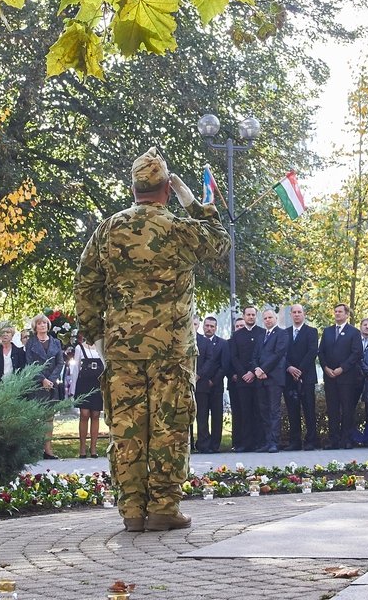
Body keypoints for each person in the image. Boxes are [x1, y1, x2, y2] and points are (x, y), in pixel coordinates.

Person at [74, 146, 229, 533]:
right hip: (171, 350)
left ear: (133, 189)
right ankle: (163, 507)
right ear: (165, 189)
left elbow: (86, 283)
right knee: (169, 426)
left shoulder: (109, 229)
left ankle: (131, 511)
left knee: (126, 429)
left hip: (122, 350)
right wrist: (193, 202)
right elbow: (221, 242)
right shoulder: (179, 228)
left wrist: (96, 335)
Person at [318, 303, 362, 449]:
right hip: (330, 377)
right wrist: (325, 367)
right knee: (332, 409)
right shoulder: (328, 331)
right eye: (335, 311)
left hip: (346, 377)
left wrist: (342, 368)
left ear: (347, 314)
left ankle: (347, 439)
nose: (337, 314)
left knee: (347, 408)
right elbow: (321, 352)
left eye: (340, 312)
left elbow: (356, 353)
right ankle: (333, 439)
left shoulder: (354, 332)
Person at [26, 313, 66, 458]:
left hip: (51, 385)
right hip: (37, 384)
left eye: (44, 323)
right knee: (36, 417)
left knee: (49, 418)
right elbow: (30, 363)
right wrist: (42, 379)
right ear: (35, 326)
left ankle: (48, 449)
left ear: (48, 325)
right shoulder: (31, 342)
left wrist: (51, 379)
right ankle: (36, 449)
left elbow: (60, 362)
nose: (42, 325)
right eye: (39, 323)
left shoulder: (56, 342)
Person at [283, 303, 319, 450]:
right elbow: (281, 353)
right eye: (294, 312)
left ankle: (311, 441)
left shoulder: (311, 331)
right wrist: (289, 368)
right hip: (289, 377)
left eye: (299, 312)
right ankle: (295, 441)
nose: (297, 314)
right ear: (291, 314)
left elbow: (312, 352)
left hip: (307, 377)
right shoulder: (284, 333)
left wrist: (299, 370)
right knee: (292, 410)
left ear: (304, 314)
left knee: (309, 409)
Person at [228, 306, 263, 453]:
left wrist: (253, 373)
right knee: (245, 412)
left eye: (253, 315)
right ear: (244, 316)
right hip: (243, 380)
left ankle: (259, 443)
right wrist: (244, 373)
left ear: (256, 316)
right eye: (248, 315)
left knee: (258, 411)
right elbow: (234, 357)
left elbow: (263, 355)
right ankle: (245, 443)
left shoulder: (262, 333)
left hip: (259, 378)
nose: (250, 317)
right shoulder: (237, 335)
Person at [253, 308, 288, 452]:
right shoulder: (261, 335)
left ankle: (274, 442)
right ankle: (267, 441)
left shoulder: (282, 333)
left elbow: (278, 354)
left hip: (274, 378)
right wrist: (256, 369)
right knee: (264, 411)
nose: (267, 320)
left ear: (275, 318)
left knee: (274, 411)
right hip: (260, 379)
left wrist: (263, 370)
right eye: (265, 318)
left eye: (270, 317)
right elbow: (254, 355)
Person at [68, 333, 105, 458]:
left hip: (98, 384)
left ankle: (93, 447)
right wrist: (73, 389)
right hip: (84, 384)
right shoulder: (80, 348)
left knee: (95, 414)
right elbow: (76, 369)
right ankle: (82, 447)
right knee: (84, 414)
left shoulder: (102, 347)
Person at [194, 315, 226, 454]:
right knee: (201, 415)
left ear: (216, 328)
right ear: (203, 326)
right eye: (207, 326)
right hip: (200, 384)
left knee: (216, 416)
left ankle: (214, 444)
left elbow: (222, 364)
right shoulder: (198, 341)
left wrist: (213, 380)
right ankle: (202, 444)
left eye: (212, 326)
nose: (209, 328)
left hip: (214, 384)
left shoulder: (222, 343)